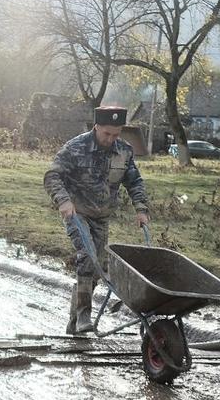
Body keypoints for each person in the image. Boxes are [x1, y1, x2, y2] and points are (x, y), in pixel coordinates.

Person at [44, 106, 150, 334]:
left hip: (101, 216)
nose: (110, 139)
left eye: (115, 134)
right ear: (96, 127)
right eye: (106, 134)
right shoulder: (76, 147)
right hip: (77, 213)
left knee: (99, 268)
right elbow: (52, 175)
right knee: (88, 257)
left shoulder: (124, 150)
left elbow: (134, 181)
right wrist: (63, 201)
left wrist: (141, 209)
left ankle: (74, 324)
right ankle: (84, 314)